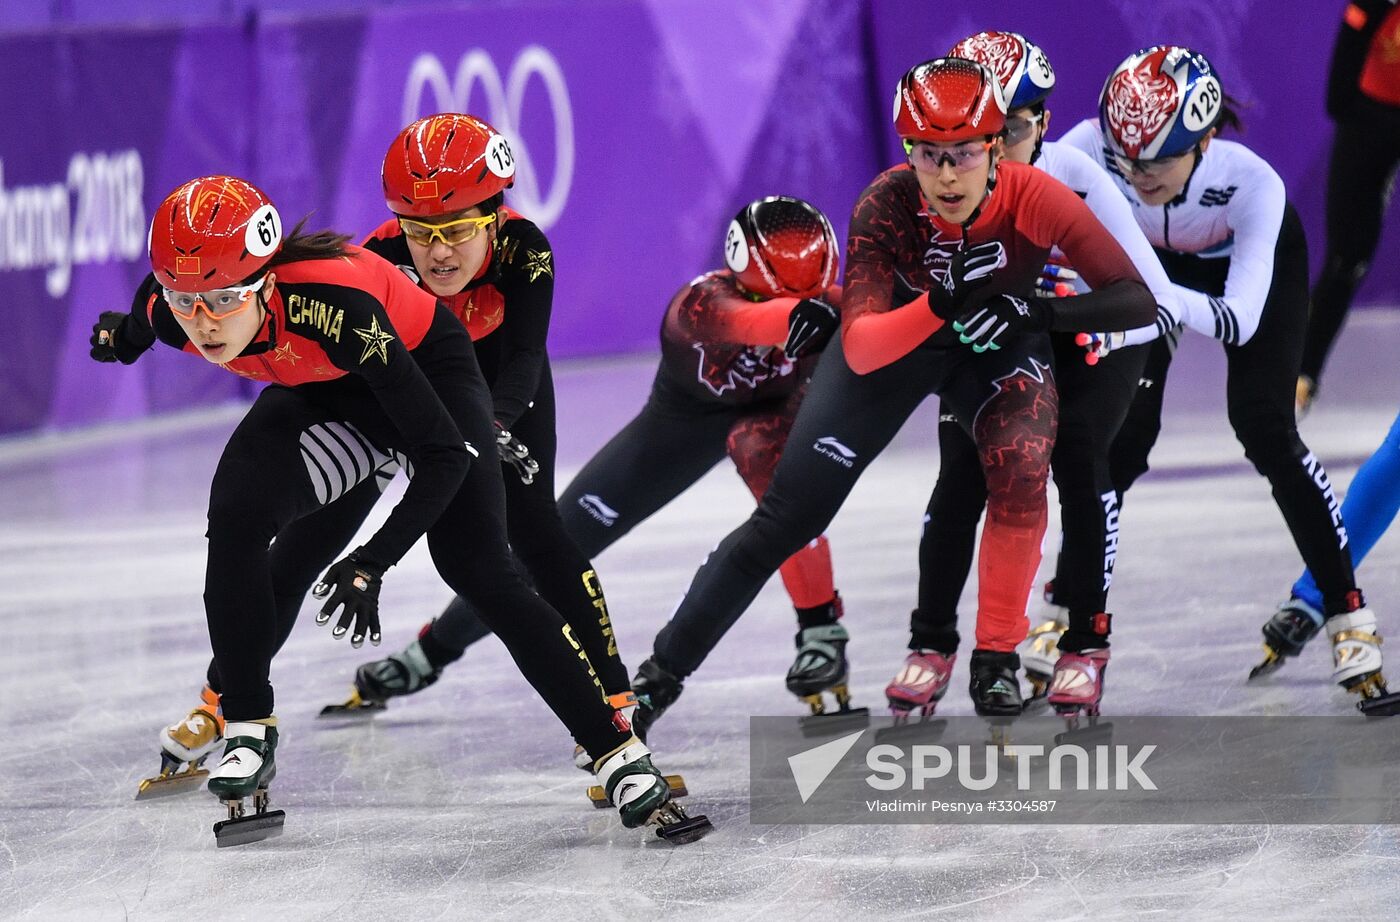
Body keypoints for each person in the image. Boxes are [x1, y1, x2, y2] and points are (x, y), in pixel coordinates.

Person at [89, 175, 707, 843]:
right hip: (325, 393)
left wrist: (373, 561)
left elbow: (443, 454)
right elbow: (145, 317)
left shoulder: (337, 311)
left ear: (266, 283)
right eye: (188, 302)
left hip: (426, 381)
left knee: (477, 568)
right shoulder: (169, 310)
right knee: (241, 522)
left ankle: (618, 751)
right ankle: (245, 723)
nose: (204, 322)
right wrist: (122, 337)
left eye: (224, 301)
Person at [628, 56, 1156, 732]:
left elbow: (1135, 299)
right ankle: (656, 681)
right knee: (786, 519)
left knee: (1022, 466)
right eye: (928, 155)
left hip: (996, 347)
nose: (945, 174)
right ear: (907, 152)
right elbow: (863, 344)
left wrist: (1041, 315)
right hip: (899, 347)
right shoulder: (887, 202)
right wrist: (942, 301)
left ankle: (996, 654)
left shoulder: (1033, 197)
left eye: (963, 153)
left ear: (995, 147)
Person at [350, 195, 851, 734]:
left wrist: (844, 307)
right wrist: (801, 312)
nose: (803, 309)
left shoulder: (836, 301)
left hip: (772, 423)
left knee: (779, 492)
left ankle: (817, 632)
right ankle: (432, 650)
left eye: (811, 295)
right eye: (774, 293)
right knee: (550, 548)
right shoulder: (699, 306)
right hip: (681, 427)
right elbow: (747, 321)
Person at [1062, 46, 1388, 711]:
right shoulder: (1087, 148)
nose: (1135, 174)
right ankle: (1066, 605)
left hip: (1239, 275)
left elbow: (1239, 320)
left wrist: (1144, 297)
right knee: (1118, 439)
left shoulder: (1252, 184)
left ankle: (1348, 614)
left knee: (1266, 426)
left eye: (1155, 160)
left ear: (1205, 140)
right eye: (1123, 158)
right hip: (1154, 274)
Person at [308, 114, 637, 772]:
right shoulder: (378, 259)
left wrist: (490, 426)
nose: (438, 254)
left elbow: (522, 360)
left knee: (537, 531)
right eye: (420, 232)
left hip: (502, 386)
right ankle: (228, 701)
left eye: (458, 230)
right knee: (323, 528)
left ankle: (618, 701)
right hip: (422, 388)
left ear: (494, 217)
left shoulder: (525, 250)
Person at [891, 31, 1182, 722]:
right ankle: (932, 643)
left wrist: (1048, 308)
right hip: (1011, 340)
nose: (989, 150)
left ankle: (1086, 639)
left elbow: (1150, 297)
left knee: (1080, 459)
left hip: (1097, 338)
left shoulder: (1075, 176)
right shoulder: (945, 176)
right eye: (974, 136)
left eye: (1010, 130)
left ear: (1044, 123)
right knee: (959, 469)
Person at [1297, 0, 1400, 415]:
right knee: (1347, 256)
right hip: (1369, 120)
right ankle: (1302, 375)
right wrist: (1358, 117)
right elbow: (1339, 89)